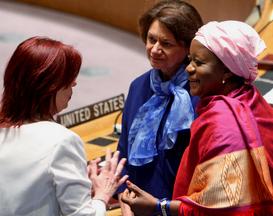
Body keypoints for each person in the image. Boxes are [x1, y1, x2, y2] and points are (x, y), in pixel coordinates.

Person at [121, 21, 273, 215]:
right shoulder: (250, 97)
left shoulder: (224, 123)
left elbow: (220, 208)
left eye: (199, 63)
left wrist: (159, 207)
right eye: (190, 60)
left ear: (227, 71)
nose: (188, 69)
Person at [0, 36, 128, 216]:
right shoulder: (62, 141)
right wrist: (102, 194)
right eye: (68, 77)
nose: (74, 82)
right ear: (48, 85)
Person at [116, 0, 203, 215]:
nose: (155, 49)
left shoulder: (201, 94)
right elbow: (123, 153)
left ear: (188, 48)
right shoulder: (138, 87)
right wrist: (125, 202)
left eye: (166, 43)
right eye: (151, 39)